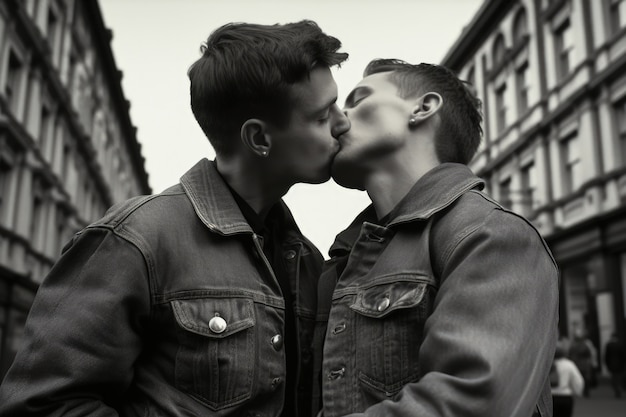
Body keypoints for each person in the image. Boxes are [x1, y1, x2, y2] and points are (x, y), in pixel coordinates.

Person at [0, 20, 350, 416]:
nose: (343, 123)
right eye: (322, 117)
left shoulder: (306, 259)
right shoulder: (136, 239)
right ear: (259, 139)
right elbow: (41, 405)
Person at [312, 59, 559, 417]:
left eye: (358, 99)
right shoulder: (342, 262)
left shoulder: (490, 234)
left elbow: (472, 404)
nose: (338, 119)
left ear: (423, 108)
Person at [551, 346, 584, 417]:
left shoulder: (547, 364)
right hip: (565, 396)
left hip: (550, 397)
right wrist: (578, 392)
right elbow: (578, 380)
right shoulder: (569, 364)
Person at [568, 328, 594, 397]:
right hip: (584, 364)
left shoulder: (573, 346)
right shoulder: (584, 345)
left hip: (576, 364)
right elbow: (588, 354)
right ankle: (586, 391)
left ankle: (580, 390)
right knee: (586, 378)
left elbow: (570, 355)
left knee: (578, 377)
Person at [604, 332, 625, 398]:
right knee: (619, 377)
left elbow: (606, 356)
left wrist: (606, 364)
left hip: (612, 364)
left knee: (614, 378)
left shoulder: (609, 345)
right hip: (620, 364)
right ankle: (619, 389)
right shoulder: (621, 344)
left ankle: (617, 390)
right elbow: (623, 355)